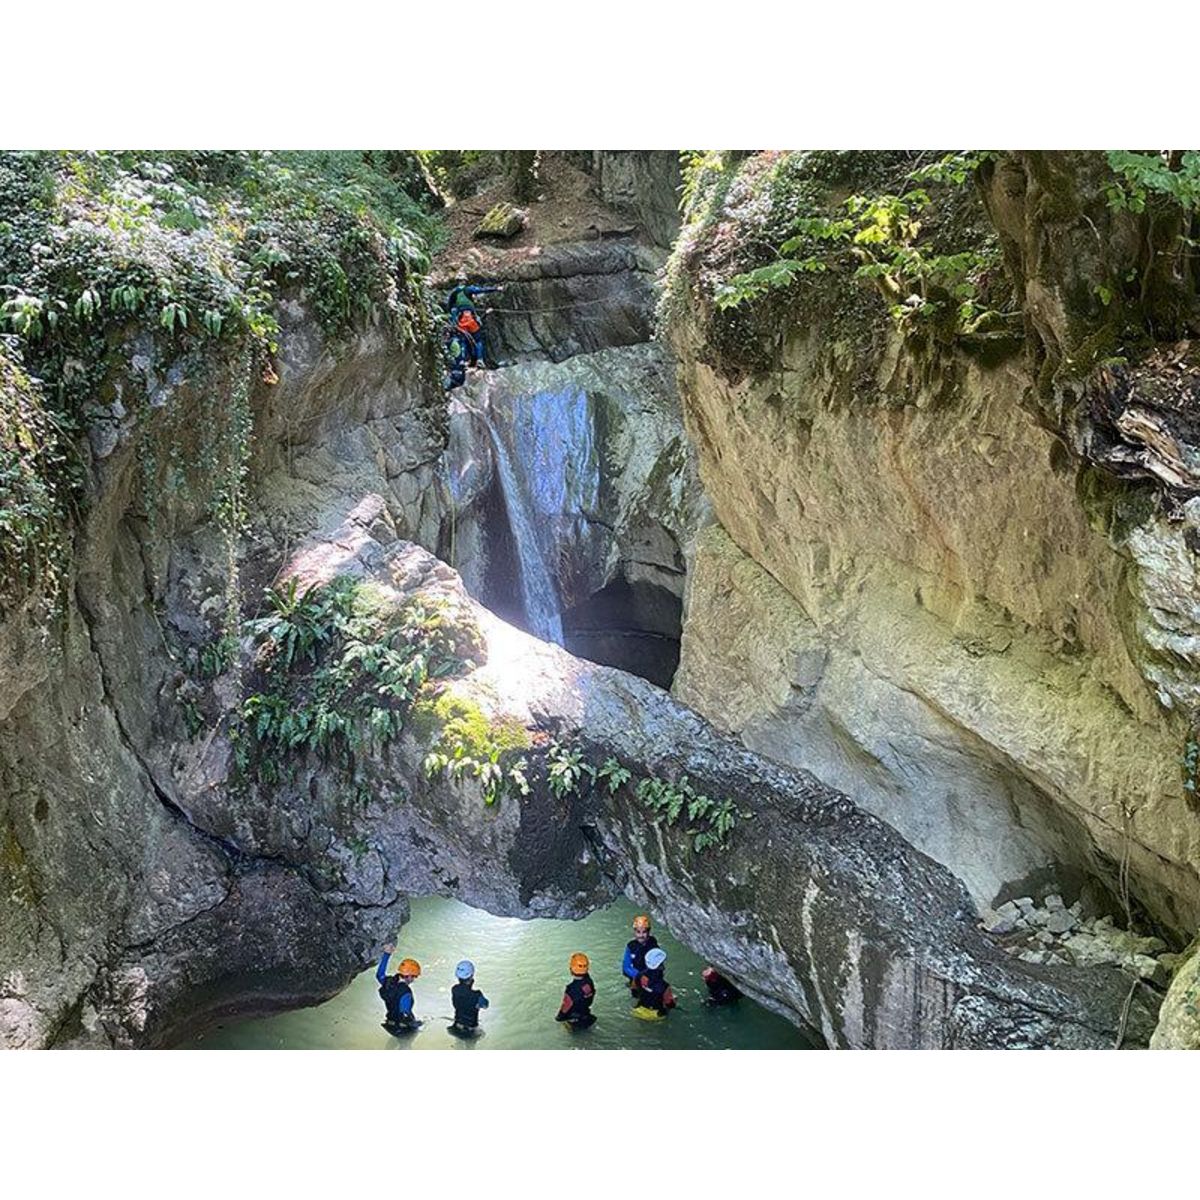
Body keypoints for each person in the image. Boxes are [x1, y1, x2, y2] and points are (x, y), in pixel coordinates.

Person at [445, 272, 502, 369]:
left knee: (462, 341)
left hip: (461, 320)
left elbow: (449, 307)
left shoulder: (454, 294)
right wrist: (496, 289)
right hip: (471, 319)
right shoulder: (468, 289)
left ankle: (462, 361)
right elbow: (481, 290)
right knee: (478, 339)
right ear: (465, 281)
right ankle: (479, 360)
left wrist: (454, 319)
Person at [376, 944, 422, 1034]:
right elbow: (405, 1013)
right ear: (409, 976)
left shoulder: (389, 982)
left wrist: (386, 954)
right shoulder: (406, 992)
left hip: (389, 1023)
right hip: (403, 1027)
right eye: (414, 976)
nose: (414, 979)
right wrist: (418, 1024)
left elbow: (379, 974)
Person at [555, 952, 597, 1031]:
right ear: (587, 969)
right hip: (586, 1015)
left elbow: (566, 1007)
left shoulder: (571, 989)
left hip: (575, 1021)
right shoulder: (589, 981)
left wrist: (559, 1017)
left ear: (571, 969)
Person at [632, 946, 676, 1020]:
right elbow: (669, 1004)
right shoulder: (664, 986)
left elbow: (634, 989)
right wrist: (674, 1001)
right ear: (660, 966)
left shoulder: (638, 975)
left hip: (638, 1010)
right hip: (655, 1015)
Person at [622, 913, 659, 997]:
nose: (641, 935)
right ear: (634, 932)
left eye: (644, 932)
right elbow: (626, 967)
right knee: (637, 995)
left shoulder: (653, 944)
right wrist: (639, 976)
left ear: (649, 932)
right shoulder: (631, 946)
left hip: (650, 978)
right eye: (638, 932)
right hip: (636, 977)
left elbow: (659, 965)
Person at [450, 959, 490, 1036]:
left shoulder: (454, 989)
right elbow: (486, 1005)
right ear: (471, 976)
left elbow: (460, 1000)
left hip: (457, 1025)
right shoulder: (477, 995)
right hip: (470, 1029)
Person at [443, 325, 470, 390]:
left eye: (446, 335)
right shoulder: (457, 341)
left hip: (456, 373)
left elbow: (455, 356)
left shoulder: (452, 343)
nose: (444, 337)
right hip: (458, 373)